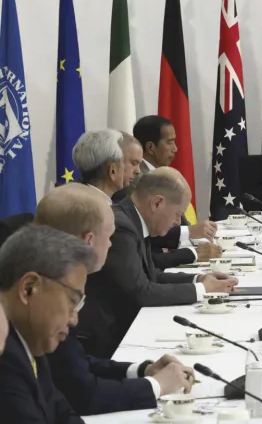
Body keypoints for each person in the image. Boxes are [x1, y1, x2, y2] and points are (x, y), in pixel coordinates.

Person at [37, 184, 196, 415]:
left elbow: (77, 364)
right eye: (109, 236)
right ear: (88, 240)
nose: (112, 244)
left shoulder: (54, 279)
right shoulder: (47, 295)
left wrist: (143, 370)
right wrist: (157, 385)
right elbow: (83, 393)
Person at [75, 168, 239, 358]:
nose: (178, 223)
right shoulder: (122, 228)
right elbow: (141, 292)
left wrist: (199, 279)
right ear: (157, 203)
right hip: (106, 341)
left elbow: (152, 276)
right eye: (178, 214)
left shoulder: (134, 220)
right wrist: (203, 289)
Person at [75, 130, 220, 269]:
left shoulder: (87, 200)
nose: (138, 170)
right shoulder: (95, 212)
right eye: (132, 162)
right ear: (113, 170)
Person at [0, 225, 96, 424]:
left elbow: (60, 412)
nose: (74, 319)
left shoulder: (29, 338)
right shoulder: (5, 357)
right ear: (29, 288)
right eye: (72, 300)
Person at [129, 116, 219, 268]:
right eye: (169, 142)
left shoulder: (163, 174)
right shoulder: (139, 180)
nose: (175, 148)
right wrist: (189, 232)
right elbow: (146, 230)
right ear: (151, 147)